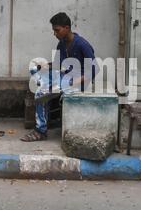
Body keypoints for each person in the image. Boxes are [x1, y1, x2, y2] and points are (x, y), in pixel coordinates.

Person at [20, 12, 97, 142]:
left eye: (57, 30)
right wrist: (44, 66)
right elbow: (58, 65)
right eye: (54, 30)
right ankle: (47, 111)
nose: (55, 34)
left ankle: (41, 130)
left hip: (78, 82)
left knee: (40, 93)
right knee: (35, 72)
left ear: (67, 28)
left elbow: (93, 71)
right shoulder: (61, 44)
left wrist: (73, 82)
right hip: (63, 77)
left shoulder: (82, 44)